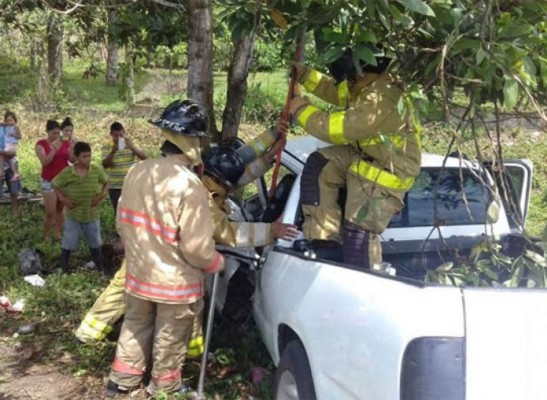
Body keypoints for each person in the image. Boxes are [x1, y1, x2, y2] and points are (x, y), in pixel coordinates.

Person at [75, 122, 298, 355]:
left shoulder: (204, 173)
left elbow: (240, 169)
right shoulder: (203, 196)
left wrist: (272, 142)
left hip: (146, 243)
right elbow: (228, 233)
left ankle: (93, 332)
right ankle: (97, 334)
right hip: (163, 253)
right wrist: (271, 231)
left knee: (136, 288)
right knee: (165, 299)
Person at [106, 99, 225, 397]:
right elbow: (196, 248)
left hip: (139, 275)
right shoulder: (189, 184)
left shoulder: (137, 171)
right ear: (193, 141)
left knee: (134, 327)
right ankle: (165, 386)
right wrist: (214, 263)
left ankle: (122, 380)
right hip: (175, 285)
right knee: (170, 338)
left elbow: (121, 223)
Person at [289, 47, 422, 269]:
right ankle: (324, 240)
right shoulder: (367, 83)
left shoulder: (380, 99)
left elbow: (335, 128)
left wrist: (302, 110)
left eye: (350, 76)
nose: (348, 82)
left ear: (361, 72)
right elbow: (334, 89)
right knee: (320, 165)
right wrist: (304, 74)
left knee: (358, 234)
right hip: (367, 156)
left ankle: (365, 281)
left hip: (389, 170)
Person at [53, 142, 109, 273]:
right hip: (74, 215)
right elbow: (55, 184)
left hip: (91, 214)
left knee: (95, 241)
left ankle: (99, 265)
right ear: (77, 157)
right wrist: (63, 199)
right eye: (84, 156)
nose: (88, 159)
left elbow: (107, 182)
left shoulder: (96, 169)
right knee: (69, 241)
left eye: (89, 156)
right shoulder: (68, 172)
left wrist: (102, 195)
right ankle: (64, 265)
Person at [35, 120, 74, 241]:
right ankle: (46, 235)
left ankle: (58, 233)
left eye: (58, 133)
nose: (56, 136)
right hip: (48, 180)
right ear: (47, 132)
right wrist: (53, 149)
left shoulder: (64, 143)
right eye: (53, 133)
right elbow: (45, 162)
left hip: (62, 181)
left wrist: (73, 147)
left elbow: (72, 160)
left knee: (60, 209)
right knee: (50, 212)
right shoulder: (41, 144)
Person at [102, 121, 147, 211]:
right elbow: (105, 165)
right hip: (115, 187)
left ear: (124, 132)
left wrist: (132, 148)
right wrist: (112, 152)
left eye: (121, 135)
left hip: (130, 184)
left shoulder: (131, 144)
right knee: (118, 212)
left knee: (132, 211)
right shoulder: (107, 146)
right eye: (115, 135)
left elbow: (145, 158)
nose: (119, 138)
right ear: (111, 134)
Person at [0, 111, 22, 182]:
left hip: (12, 145)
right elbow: (2, 124)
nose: (9, 122)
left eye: (11, 120)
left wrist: (14, 135)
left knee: (2, 154)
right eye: (7, 121)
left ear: (15, 121)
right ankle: (14, 173)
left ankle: (2, 172)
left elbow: (20, 137)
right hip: (7, 145)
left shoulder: (15, 128)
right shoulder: (5, 126)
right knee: (8, 158)